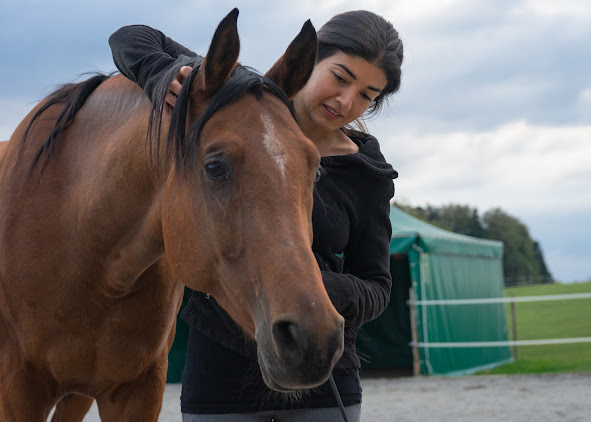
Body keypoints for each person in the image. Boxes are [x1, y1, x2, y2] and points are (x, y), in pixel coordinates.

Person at [109, 9, 403, 422]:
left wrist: (301, 283)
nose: (346, 101)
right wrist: (165, 73)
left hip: (322, 378)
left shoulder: (367, 175)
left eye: (367, 95)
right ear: (309, 60)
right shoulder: (230, 106)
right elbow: (130, 35)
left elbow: (376, 288)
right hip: (218, 385)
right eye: (340, 77)